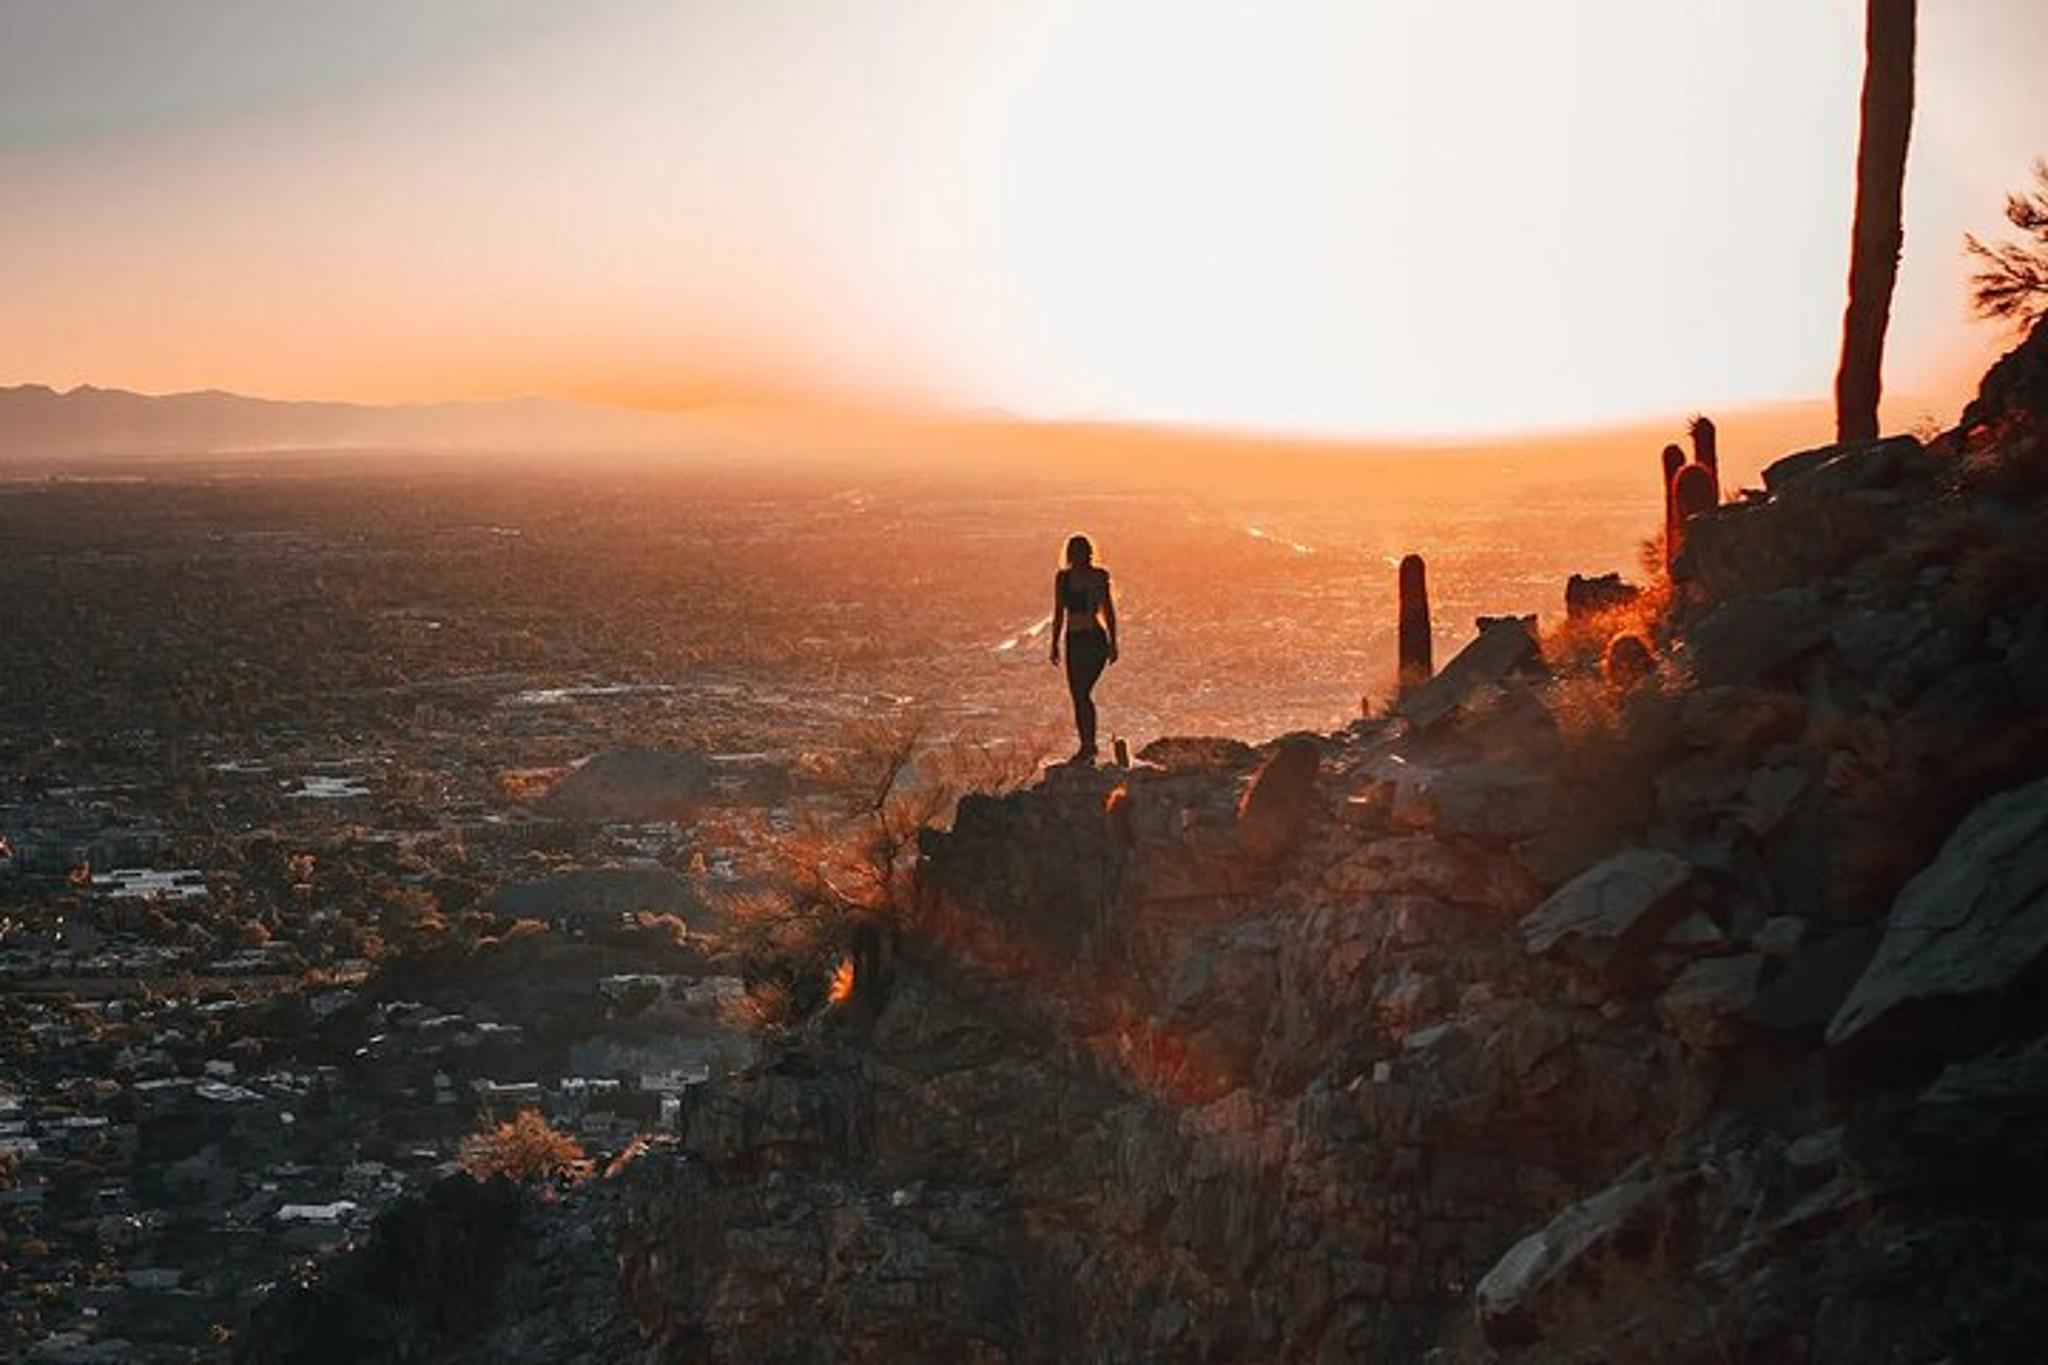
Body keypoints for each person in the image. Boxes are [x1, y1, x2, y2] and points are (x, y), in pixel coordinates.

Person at [1049, 533, 1118, 763]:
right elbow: (1058, 612)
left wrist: (1113, 642)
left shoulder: (1099, 576)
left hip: (1093, 639)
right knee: (1078, 696)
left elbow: (1108, 610)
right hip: (1074, 641)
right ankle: (1086, 745)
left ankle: (1089, 746)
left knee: (1082, 693)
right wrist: (1054, 643)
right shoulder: (1063, 579)